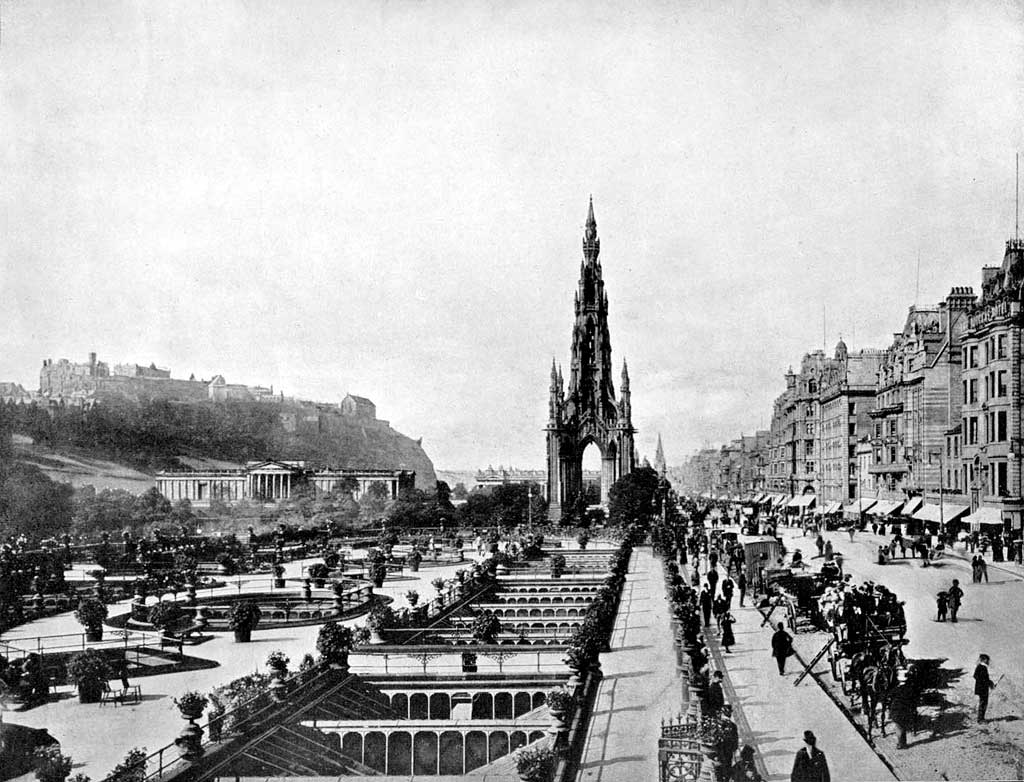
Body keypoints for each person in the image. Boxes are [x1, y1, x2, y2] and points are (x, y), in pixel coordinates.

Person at [974, 653, 996, 722]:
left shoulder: (980, 667)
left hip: (982, 688)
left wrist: (990, 683)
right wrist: (989, 683)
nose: (988, 661)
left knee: (983, 703)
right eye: (987, 660)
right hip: (982, 689)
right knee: (983, 703)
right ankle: (980, 719)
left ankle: (981, 718)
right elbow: (981, 678)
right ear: (984, 660)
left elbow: (979, 677)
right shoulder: (982, 667)